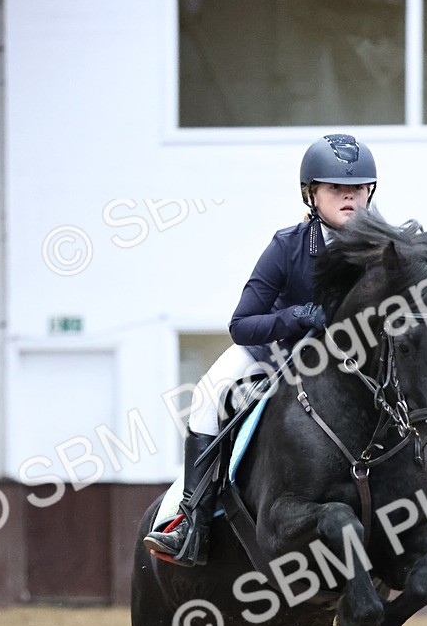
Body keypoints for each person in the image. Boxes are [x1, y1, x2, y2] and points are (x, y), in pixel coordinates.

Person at [144, 132, 377, 566]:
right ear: (312, 194)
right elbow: (242, 324)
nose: (350, 196)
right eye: (336, 188)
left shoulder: (385, 250)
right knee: (208, 394)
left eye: (358, 188)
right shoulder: (287, 246)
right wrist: (297, 316)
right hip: (279, 359)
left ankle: (423, 536)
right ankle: (192, 522)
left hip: (355, 368)